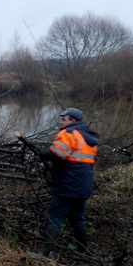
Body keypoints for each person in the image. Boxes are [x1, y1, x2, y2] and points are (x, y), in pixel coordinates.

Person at [37, 108, 100, 257]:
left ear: (73, 121)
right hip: (83, 186)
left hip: (67, 185)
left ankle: (45, 254)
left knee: (54, 216)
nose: (61, 122)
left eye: (64, 119)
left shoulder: (69, 133)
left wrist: (42, 154)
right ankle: (82, 249)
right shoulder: (88, 137)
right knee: (77, 217)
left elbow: (56, 153)